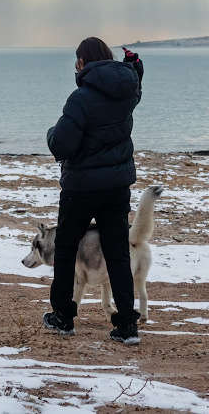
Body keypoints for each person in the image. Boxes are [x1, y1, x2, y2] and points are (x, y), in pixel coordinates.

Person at [43, 38, 144, 345]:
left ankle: (63, 316)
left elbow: (62, 145)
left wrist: (50, 132)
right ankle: (127, 324)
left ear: (82, 64)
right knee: (117, 252)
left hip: (82, 187)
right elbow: (134, 80)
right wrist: (133, 65)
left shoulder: (80, 99)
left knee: (65, 248)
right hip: (116, 186)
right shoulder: (128, 93)